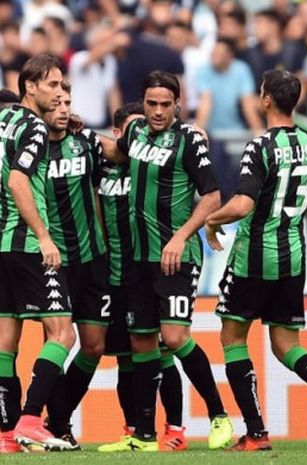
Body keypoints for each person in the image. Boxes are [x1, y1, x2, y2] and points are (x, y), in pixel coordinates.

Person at [205, 69, 307, 452]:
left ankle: (256, 432)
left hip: (255, 257)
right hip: (293, 256)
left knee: (232, 337)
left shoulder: (259, 147)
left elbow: (243, 205)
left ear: (265, 100)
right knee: (285, 343)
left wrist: (211, 219)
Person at [99, 71, 231, 452]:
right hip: (139, 259)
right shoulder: (136, 133)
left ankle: (219, 416)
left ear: (177, 103)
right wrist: (81, 131)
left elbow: (212, 197)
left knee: (173, 338)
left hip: (176, 257)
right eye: (151, 104)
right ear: (143, 102)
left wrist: (180, 236)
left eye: (165, 104)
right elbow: (115, 151)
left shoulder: (189, 139)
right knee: (142, 342)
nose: (157, 112)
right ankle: (143, 435)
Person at [97, 103, 187, 452]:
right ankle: (133, 429)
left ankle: (175, 429)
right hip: (116, 278)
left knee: (163, 353)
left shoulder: (153, 170)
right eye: (134, 129)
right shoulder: (101, 169)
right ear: (118, 134)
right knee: (125, 357)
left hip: (150, 272)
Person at [0, 54, 75, 453]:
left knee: (5, 344)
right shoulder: (33, 127)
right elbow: (17, 181)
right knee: (63, 332)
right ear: (30, 87)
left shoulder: (3, 122)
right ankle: (30, 420)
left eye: (62, 86)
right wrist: (44, 236)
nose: (60, 92)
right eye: (52, 85)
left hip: (2, 245)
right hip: (28, 243)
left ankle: (7, 435)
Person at [39, 80, 109, 451]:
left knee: (94, 346)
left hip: (93, 258)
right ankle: (50, 424)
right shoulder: (29, 150)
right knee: (57, 339)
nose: (64, 108)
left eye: (68, 102)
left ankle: (55, 420)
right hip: (54, 262)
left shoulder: (86, 142)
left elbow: (120, 153)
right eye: (57, 103)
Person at [195, 37, 262, 133]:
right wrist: (198, 133)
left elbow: (247, 102)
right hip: (211, 132)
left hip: (238, 130)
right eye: (213, 52)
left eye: (219, 53)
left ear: (230, 55)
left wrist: (259, 134)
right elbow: (205, 101)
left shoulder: (241, 69)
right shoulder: (203, 71)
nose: (214, 56)